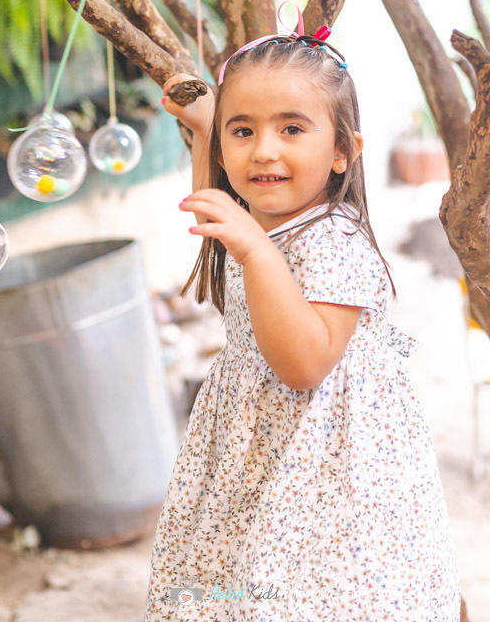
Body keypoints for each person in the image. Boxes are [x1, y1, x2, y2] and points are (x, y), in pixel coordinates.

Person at [145, 32, 462, 620]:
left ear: (342, 151)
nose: (264, 151)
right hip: (262, 447)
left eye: (292, 129)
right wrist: (202, 132)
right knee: (241, 582)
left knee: (311, 596)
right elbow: (219, 211)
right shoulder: (261, 217)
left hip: (324, 461)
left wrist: (256, 254)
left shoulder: (336, 239)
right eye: (243, 132)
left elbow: (304, 365)